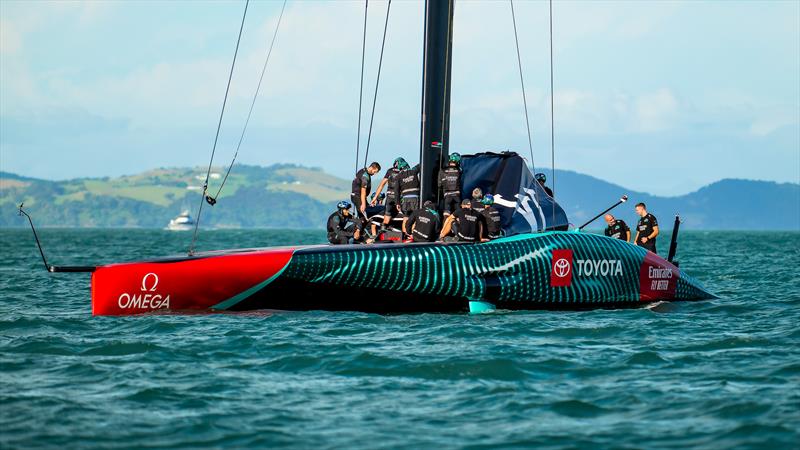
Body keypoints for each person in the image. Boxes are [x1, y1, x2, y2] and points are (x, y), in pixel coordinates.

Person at [371, 157, 404, 231]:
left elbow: (382, 184)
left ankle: (381, 236)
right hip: (398, 196)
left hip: (389, 196)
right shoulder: (403, 171)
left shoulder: (389, 171)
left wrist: (375, 197)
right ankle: (406, 237)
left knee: (386, 219)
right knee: (405, 217)